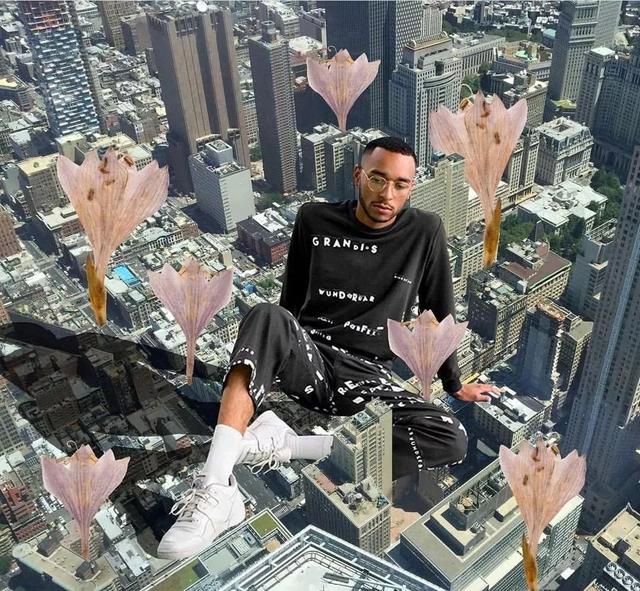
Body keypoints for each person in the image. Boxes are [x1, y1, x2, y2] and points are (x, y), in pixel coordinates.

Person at [157, 137, 502, 559]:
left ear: (411, 187)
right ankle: (216, 489)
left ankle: (285, 446)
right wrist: (277, 362)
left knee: (452, 439)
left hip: (369, 376)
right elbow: (289, 302)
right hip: (312, 359)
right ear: (359, 176)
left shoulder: (425, 231)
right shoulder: (314, 219)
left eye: (401, 184)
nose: (387, 194)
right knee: (266, 315)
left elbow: (438, 315)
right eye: (377, 179)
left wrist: (454, 384)